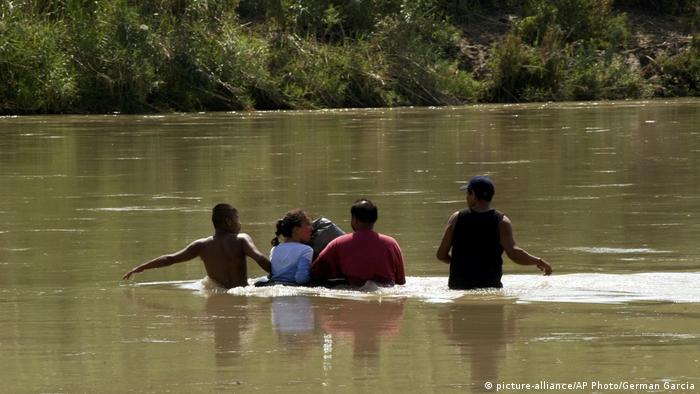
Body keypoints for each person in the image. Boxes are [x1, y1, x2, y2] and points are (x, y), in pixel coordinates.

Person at [436, 176, 552, 289]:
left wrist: (459, 262)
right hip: (489, 287)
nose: (466, 197)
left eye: (468, 193)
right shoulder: (502, 221)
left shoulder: (456, 218)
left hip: (459, 288)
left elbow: (441, 255)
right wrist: (539, 261)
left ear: (473, 194)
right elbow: (514, 253)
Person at [122, 203, 271, 289]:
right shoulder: (242, 239)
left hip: (218, 291)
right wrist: (279, 274)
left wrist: (140, 267)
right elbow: (259, 258)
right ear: (229, 221)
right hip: (242, 291)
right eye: (237, 219)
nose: (240, 223)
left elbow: (170, 259)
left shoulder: (202, 245)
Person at [311, 199, 406, 287]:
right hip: (387, 293)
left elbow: (316, 271)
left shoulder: (338, 243)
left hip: (354, 291)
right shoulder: (391, 243)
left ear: (355, 220)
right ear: (375, 219)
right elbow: (401, 281)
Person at [268, 209, 314, 285]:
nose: (312, 229)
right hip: (293, 290)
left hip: (273, 286)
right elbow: (301, 279)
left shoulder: (275, 249)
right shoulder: (306, 250)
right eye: (308, 224)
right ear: (296, 230)